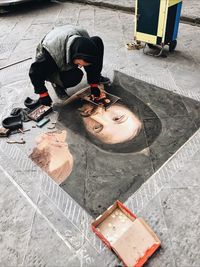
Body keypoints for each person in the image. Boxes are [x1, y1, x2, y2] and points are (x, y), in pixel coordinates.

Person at [29, 25, 110, 106]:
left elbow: (92, 61)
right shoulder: (50, 56)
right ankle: (57, 85)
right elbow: (34, 72)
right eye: (79, 64)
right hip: (52, 59)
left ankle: (95, 78)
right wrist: (43, 95)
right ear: (76, 55)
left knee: (96, 47)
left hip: (65, 43)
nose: (81, 67)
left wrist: (94, 84)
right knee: (74, 76)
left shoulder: (84, 37)